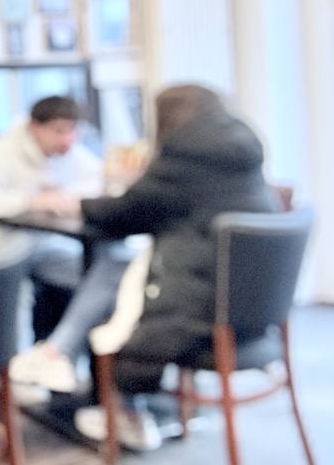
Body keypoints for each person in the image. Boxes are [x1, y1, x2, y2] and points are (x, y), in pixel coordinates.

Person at [57, 84, 280, 451]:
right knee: (122, 272)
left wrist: (78, 205)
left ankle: (121, 407)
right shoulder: (242, 147)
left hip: (199, 316)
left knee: (116, 286)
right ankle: (68, 361)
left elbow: (126, 213)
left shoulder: (184, 156)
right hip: (250, 309)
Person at [0, 95, 105, 340]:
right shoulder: (1, 151)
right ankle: (17, 372)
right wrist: (31, 200)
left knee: (95, 274)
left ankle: (68, 357)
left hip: (37, 246)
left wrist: (64, 196)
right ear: (35, 127)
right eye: (59, 131)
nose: (68, 139)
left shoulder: (70, 151)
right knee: (18, 292)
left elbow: (98, 180)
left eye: (73, 130)